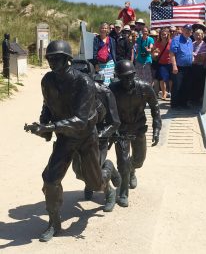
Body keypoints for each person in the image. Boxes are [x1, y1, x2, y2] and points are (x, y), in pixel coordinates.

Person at [24, 40, 119, 242]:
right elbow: (47, 106)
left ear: (67, 60)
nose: (52, 61)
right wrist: (42, 125)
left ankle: (108, 173)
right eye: (50, 58)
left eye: (57, 58)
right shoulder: (47, 81)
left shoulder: (83, 82)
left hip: (86, 138)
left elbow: (81, 120)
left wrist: (49, 127)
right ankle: (54, 223)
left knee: (94, 183)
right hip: (64, 139)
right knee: (50, 179)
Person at [109, 60, 161, 207]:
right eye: (123, 77)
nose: (127, 80)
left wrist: (156, 129)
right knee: (123, 163)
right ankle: (123, 192)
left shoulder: (144, 88)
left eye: (129, 76)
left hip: (138, 129)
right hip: (122, 131)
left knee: (139, 160)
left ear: (134, 74)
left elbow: (155, 108)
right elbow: (105, 110)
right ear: (118, 77)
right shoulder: (113, 89)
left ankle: (132, 171)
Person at [72, 59, 121, 202]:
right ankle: (90, 182)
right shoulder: (70, 93)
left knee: (95, 173)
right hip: (77, 136)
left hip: (98, 137)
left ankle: (109, 191)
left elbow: (115, 122)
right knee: (79, 172)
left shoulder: (104, 92)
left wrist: (99, 136)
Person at [170, 24, 193, 108]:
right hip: (179, 67)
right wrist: (174, 66)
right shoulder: (176, 39)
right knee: (177, 86)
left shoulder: (190, 40)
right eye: (186, 29)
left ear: (191, 32)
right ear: (182, 30)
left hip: (189, 67)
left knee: (186, 86)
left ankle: (183, 103)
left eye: (189, 30)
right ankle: (175, 105)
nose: (188, 31)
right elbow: (172, 54)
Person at [152, 28, 172, 100]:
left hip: (170, 62)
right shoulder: (157, 43)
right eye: (162, 34)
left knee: (170, 79)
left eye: (165, 34)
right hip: (161, 62)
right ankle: (164, 94)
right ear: (160, 35)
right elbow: (153, 53)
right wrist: (154, 54)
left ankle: (171, 94)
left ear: (167, 35)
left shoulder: (171, 42)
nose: (164, 36)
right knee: (162, 79)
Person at [191, 29, 206, 105]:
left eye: (199, 34)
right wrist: (197, 56)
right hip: (192, 67)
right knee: (193, 83)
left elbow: (203, 58)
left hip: (200, 67)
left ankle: (197, 99)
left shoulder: (203, 44)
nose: (197, 36)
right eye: (196, 34)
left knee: (199, 84)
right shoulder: (192, 43)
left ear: (202, 35)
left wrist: (195, 58)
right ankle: (193, 99)